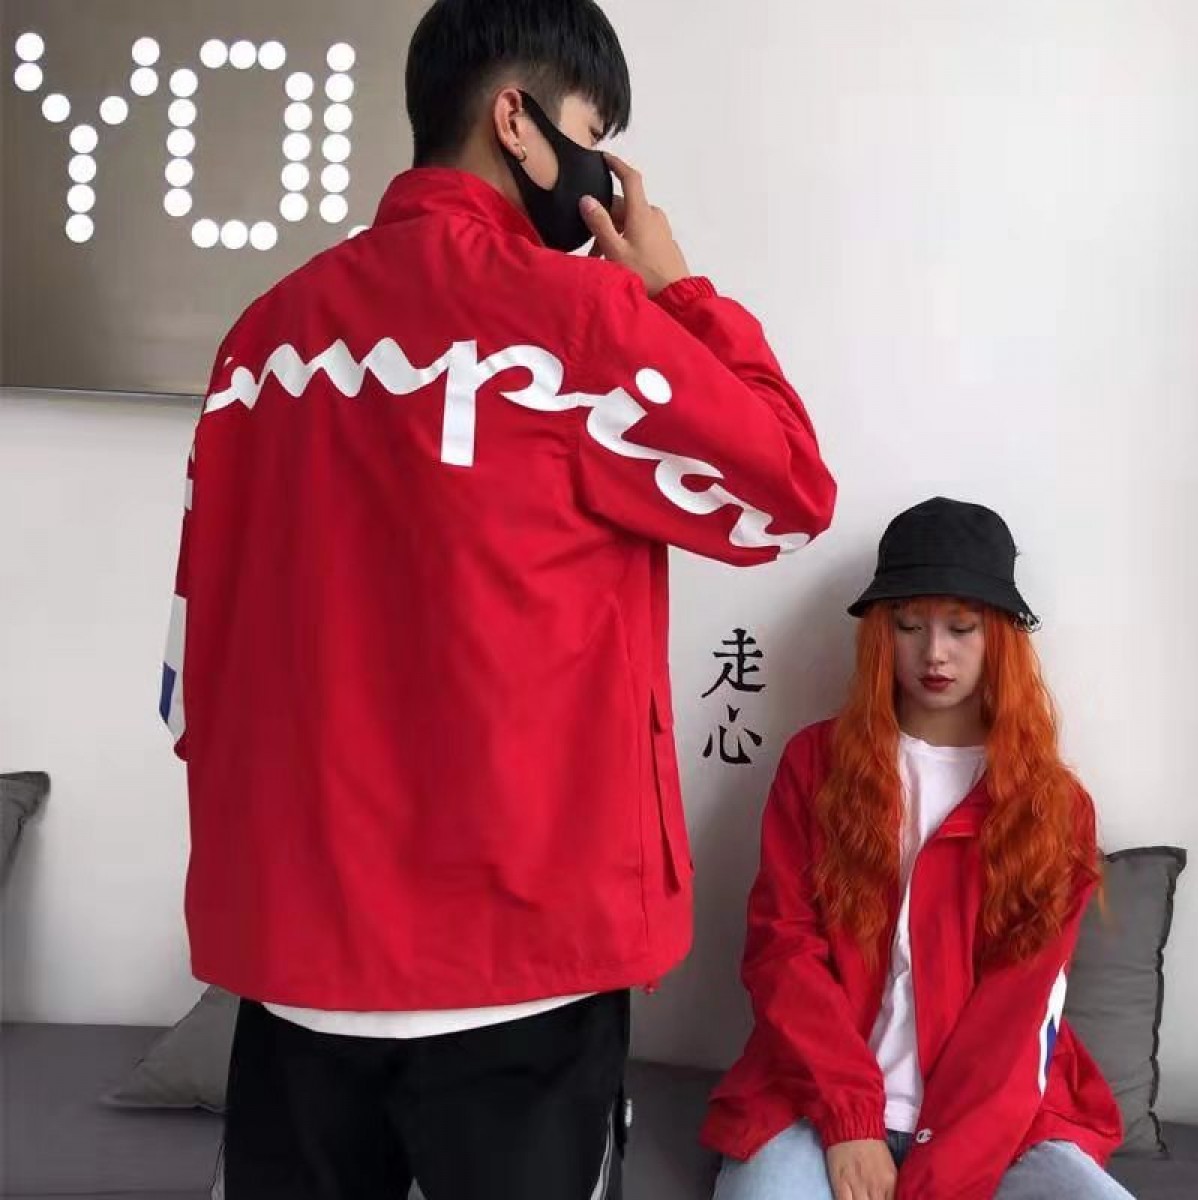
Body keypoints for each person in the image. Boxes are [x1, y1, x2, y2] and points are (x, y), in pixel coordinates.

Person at [158, 1, 837, 1197]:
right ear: (517, 122)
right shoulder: (580, 321)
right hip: (521, 970)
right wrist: (677, 289)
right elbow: (785, 490)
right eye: (592, 132)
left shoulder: (257, 342)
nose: (605, 173)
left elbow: (188, 672)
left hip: (290, 964)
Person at [702, 498, 1129, 1200]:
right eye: (909, 625)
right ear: (881, 634)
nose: (934, 652)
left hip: (997, 1124)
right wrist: (851, 1124)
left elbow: (1018, 1016)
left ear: (1000, 638)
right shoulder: (817, 765)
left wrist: (938, 1180)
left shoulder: (1051, 807)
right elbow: (782, 950)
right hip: (814, 1101)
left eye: (961, 627)